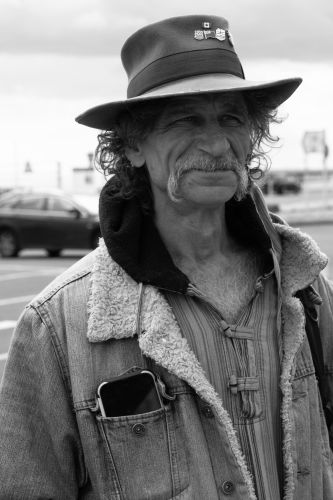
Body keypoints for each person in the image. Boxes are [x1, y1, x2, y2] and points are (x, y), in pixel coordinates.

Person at [0, 14, 332, 500]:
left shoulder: (304, 286)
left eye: (232, 119)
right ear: (133, 146)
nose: (218, 144)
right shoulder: (59, 322)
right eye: (186, 120)